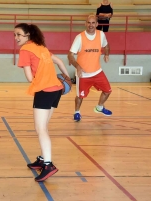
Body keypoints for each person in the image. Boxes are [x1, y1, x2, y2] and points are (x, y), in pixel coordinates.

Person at [14, 23, 70, 182]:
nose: (16, 38)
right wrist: (68, 79)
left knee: (40, 128)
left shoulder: (25, 50)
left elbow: (30, 78)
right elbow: (59, 61)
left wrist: (35, 77)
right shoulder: (41, 47)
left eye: (19, 34)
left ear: (28, 36)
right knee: (43, 127)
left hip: (44, 91)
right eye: (15, 35)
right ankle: (42, 158)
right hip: (56, 91)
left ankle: (48, 165)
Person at [68, 15, 112, 122]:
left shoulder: (101, 34)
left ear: (97, 24)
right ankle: (77, 112)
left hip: (97, 71)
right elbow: (70, 55)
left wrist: (106, 54)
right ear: (85, 24)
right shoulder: (79, 37)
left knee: (107, 91)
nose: (90, 25)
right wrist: (78, 66)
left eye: (93, 23)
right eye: (88, 22)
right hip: (83, 74)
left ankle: (100, 107)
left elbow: (106, 45)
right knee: (80, 96)